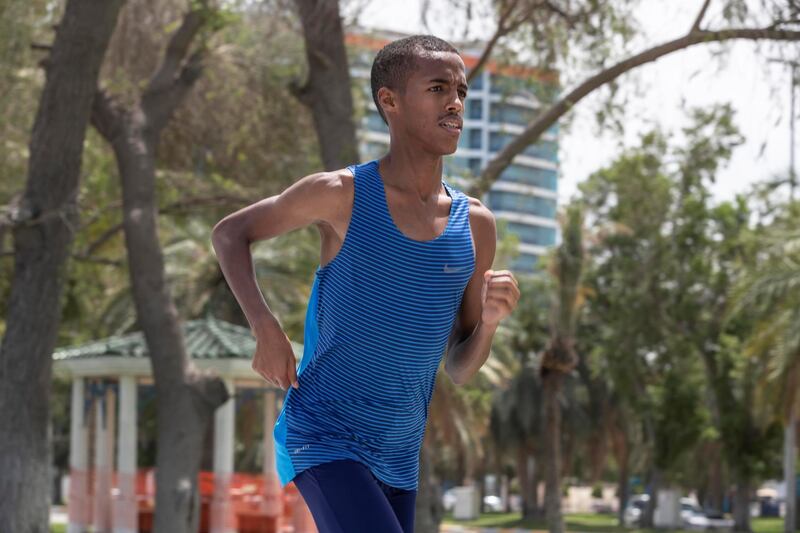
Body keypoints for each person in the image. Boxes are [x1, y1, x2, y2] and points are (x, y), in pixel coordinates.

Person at [212, 34, 520, 533]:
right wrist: (266, 329)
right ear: (390, 101)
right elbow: (230, 234)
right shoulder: (341, 195)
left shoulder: (476, 225)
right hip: (323, 433)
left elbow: (460, 368)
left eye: (461, 89)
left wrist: (487, 325)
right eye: (438, 88)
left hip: (399, 456)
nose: (456, 102)